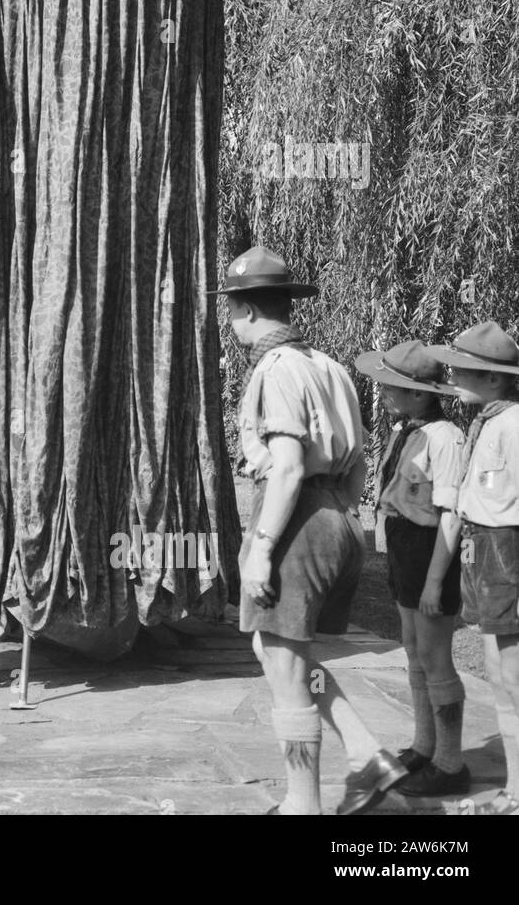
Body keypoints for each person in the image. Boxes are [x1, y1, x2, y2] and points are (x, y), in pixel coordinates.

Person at [212, 245, 407, 815]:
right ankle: (369, 757)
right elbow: (361, 461)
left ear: (245, 311)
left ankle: (303, 807)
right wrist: (339, 515)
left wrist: (262, 547)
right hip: (338, 519)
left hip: (296, 520)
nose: (231, 320)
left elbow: (289, 466)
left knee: (286, 669)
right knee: (281, 655)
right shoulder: (329, 366)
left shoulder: (276, 370)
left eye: (231, 308)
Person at [355, 340, 468, 796]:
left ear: (421, 393)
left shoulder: (444, 438)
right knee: (412, 647)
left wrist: (436, 580)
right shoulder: (408, 429)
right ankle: (424, 746)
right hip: (405, 548)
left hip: (430, 550)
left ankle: (450, 761)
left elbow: (450, 514)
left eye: (392, 387)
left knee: (436, 656)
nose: (383, 393)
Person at [427, 322, 519, 815]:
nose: (454, 372)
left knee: (515, 676)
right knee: (498, 676)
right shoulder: (487, 421)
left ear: (496, 380)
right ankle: (513, 790)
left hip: (509, 548)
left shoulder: (514, 425)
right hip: (484, 546)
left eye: (466, 368)